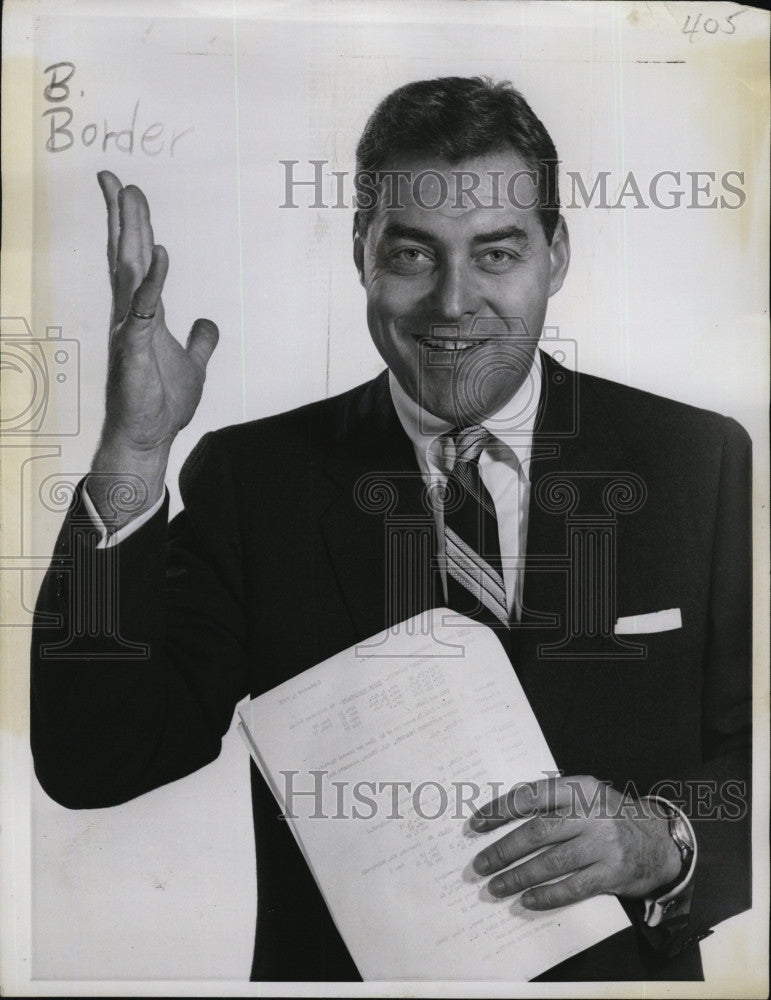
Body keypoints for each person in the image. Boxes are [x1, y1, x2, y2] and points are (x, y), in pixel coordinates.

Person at [30, 76, 751, 983]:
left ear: (556, 254)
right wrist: (133, 452)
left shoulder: (700, 459)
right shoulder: (258, 481)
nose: (453, 304)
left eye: (496, 254)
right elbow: (95, 759)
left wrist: (669, 841)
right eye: (413, 255)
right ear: (361, 254)